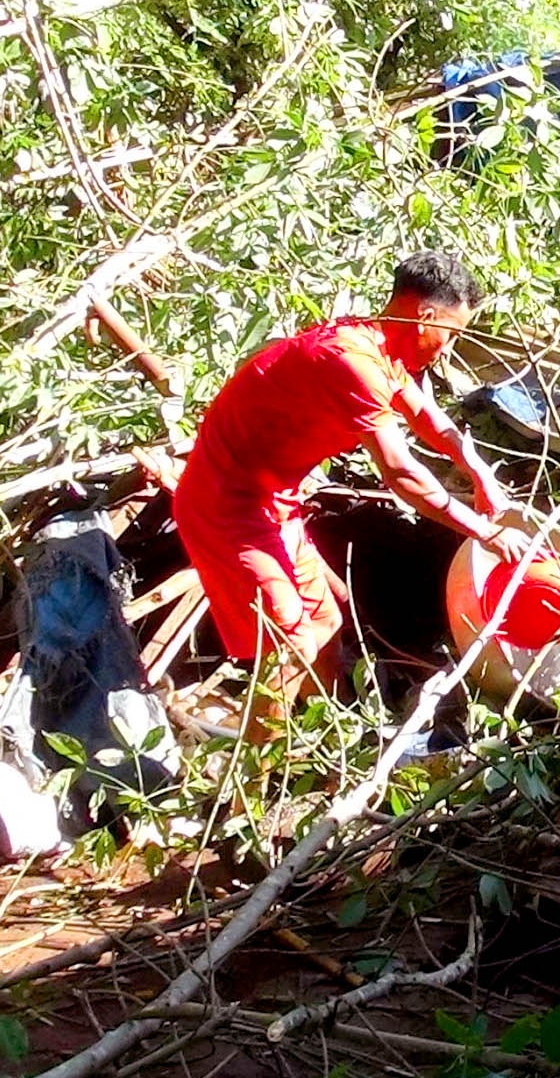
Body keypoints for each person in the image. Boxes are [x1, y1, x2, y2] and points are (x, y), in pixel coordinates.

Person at [175, 253, 523, 727]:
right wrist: (483, 531)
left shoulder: (383, 350)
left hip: (274, 506)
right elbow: (400, 474)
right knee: (288, 643)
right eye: (452, 333)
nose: (447, 349)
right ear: (425, 316)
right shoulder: (351, 361)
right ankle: (254, 791)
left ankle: (322, 738)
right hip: (224, 506)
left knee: (327, 622)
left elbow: (430, 420)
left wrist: (479, 472)